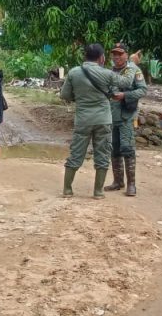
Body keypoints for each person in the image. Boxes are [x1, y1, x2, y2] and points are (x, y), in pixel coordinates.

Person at [59, 44, 136, 199]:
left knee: (76, 153)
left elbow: (65, 95)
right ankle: (98, 192)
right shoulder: (107, 74)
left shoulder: (74, 72)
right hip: (103, 120)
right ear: (102, 58)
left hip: (83, 120)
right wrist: (132, 63)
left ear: (84, 56)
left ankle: (67, 190)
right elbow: (126, 82)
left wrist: (80, 97)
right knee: (102, 154)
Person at [106, 43, 148, 197]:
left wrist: (125, 95)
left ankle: (131, 185)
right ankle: (118, 181)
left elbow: (143, 90)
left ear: (126, 55)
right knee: (114, 148)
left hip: (126, 116)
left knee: (127, 148)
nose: (116, 57)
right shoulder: (110, 71)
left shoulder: (133, 70)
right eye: (114, 54)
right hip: (111, 116)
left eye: (120, 54)